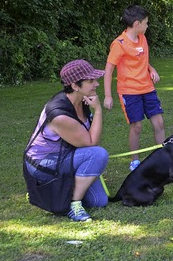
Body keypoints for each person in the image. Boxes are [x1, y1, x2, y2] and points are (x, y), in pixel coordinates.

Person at [24, 60, 109, 222]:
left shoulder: (81, 100)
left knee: (99, 201)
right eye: (90, 81)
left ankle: (53, 191)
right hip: (42, 164)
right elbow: (91, 143)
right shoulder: (60, 115)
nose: (97, 84)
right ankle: (73, 204)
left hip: (64, 156)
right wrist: (98, 110)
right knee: (98, 154)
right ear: (75, 86)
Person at [104, 5, 165, 171]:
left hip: (148, 88)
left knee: (158, 123)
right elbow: (109, 69)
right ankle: (135, 161)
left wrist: (152, 69)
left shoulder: (142, 38)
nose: (147, 26)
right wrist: (108, 96)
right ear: (137, 23)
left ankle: (163, 157)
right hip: (129, 92)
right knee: (136, 126)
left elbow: (143, 61)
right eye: (146, 23)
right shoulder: (119, 44)